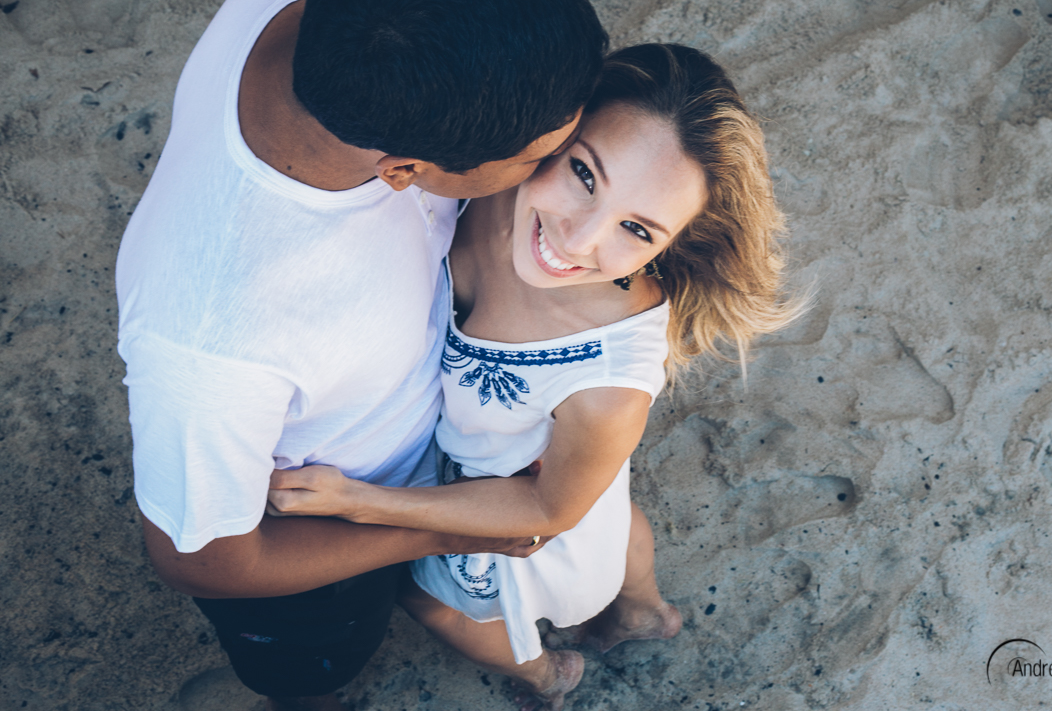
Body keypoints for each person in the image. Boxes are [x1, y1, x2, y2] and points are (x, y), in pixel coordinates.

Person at [115, 0, 607, 708]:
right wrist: (434, 529)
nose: (553, 172)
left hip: (408, 451)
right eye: (535, 158)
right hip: (320, 538)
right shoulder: (215, 340)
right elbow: (198, 558)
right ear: (404, 171)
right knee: (316, 666)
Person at [266, 42, 803, 711]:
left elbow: (550, 511)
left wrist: (359, 503)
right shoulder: (485, 182)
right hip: (575, 485)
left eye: (637, 229)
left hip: (512, 511)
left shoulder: (610, 383)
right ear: (556, 130)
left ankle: (550, 675)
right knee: (609, 504)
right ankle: (644, 612)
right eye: (583, 173)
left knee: (424, 600)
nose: (576, 241)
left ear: (671, 245)